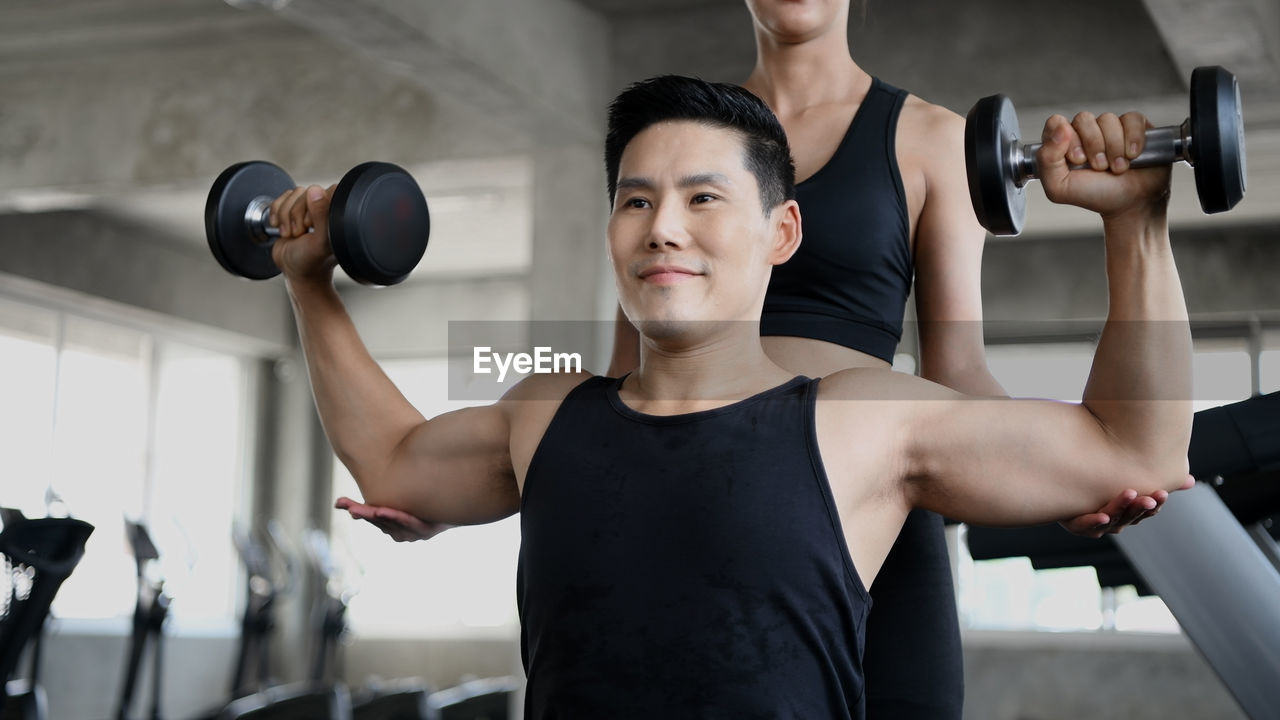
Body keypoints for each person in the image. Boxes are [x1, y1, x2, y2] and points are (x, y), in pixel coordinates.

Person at [343, 3, 1176, 715]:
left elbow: (955, 370)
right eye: (644, 205)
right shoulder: (684, 138)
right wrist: (499, 477)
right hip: (695, 472)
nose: (668, 218)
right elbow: (633, 362)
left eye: (703, 200)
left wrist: (1036, 481)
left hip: (855, 491)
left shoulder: (932, 138)